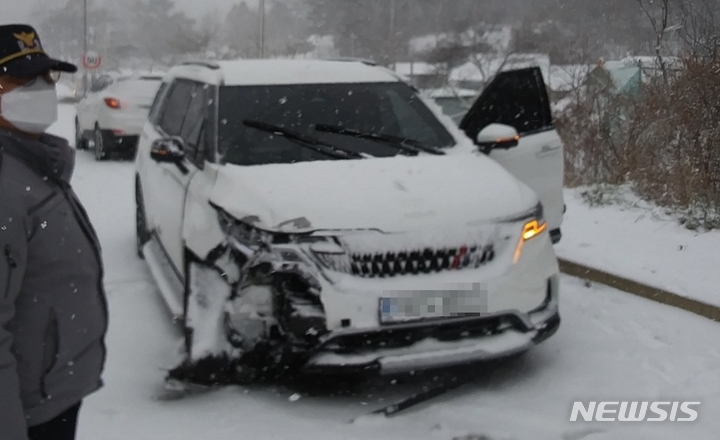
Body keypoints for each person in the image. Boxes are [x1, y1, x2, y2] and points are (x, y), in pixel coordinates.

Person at [0, 24, 108, 440]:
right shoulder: (7, 183)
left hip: (50, 394)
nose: (40, 88)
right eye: (20, 80)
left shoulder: (30, 158)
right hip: (27, 410)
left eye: (45, 77)